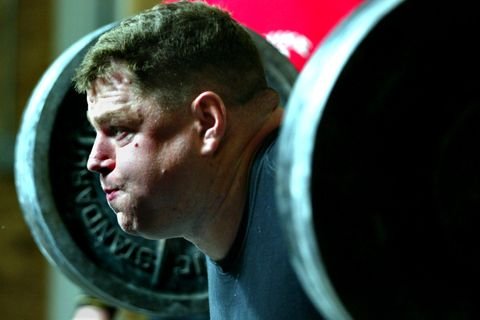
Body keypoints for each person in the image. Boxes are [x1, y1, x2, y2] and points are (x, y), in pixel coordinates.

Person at [73, 1, 323, 319]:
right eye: (97, 132)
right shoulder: (226, 209)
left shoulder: (319, 209)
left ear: (207, 122)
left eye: (120, 129)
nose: (94, 160)